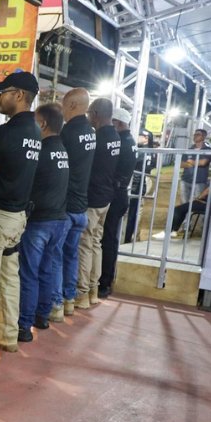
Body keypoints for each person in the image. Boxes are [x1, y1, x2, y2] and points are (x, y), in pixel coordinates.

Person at [0, 71, 41, 365]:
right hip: (18, 218)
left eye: (4, 92)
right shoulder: (36, 133)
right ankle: (8, 335)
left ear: (20, 95)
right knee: (9, 279)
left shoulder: (5, 134)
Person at [17, 103, 70, 342]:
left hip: (39, 221)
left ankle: (24, 326)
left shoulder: (41, 151)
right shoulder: (62, 150)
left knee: (29, 274)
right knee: (46, 271)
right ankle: (42, 316)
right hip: (58, 220)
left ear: (43, 124)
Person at [50, 88, 95, 322]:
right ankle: (69, 300)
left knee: (56, 256)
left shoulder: (68, 133)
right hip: (82, 206)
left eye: (66, 106)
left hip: (66, 206)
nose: (64, 112)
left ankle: (56, 305)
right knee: (71, 255)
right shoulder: (90, 131)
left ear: (74, 105)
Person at [76, 97, 120, 308]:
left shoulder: (98, 139)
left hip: (93, 198)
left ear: (95, 114)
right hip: (106, 197)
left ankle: (82, 293)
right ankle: (93, 289)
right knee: (95, 243)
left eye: (89, 113)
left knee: (85, 245)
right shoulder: (116, 137)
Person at [99, 107, 137, 298]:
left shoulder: (121, 142)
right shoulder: (129, 141)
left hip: (116, 194)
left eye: (112, 122)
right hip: (120, 193)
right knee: (109, 239)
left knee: (108, 240)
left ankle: (104, 282)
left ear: (119, 123)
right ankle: (104, 280)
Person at [178, 128, 211, 230]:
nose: (195, 136)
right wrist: (195, 162)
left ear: (204, 137)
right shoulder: (189, 149)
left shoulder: (208, 150)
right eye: (195, 134)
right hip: (186, 180)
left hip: (199, 181)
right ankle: (186, 226)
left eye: (198, 134)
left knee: (198, 204)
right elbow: (181, 164)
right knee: (185, 204)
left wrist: (191, 162)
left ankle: (201, 227)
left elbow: (203, 163)